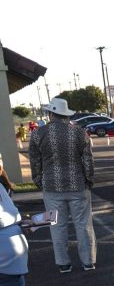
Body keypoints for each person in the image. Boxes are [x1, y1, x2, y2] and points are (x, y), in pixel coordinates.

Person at [29, 98, 97, 272]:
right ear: (65, 114)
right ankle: (88, 262)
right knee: (83, 225)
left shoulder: (38, 134)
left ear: (51, 114)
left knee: (57, 226)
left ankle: (63, 264)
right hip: (78, 186)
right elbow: (88, 160)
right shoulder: (79, 133)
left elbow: (35, 161)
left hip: (52, 187)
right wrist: (89, 180)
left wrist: (38, 181)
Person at [0, 163, 29, 286]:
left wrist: (25, 224)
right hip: (2, 272)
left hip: (15, 271)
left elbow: (9, 220)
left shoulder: (2, 186)